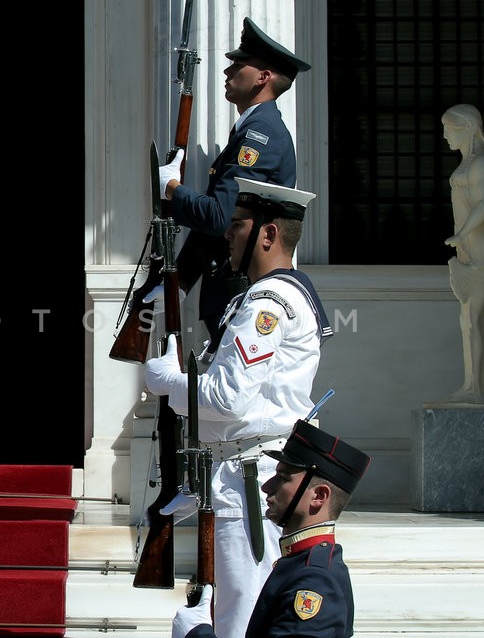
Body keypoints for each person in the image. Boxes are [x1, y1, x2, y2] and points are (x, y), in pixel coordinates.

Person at [145, 178, 333, 638]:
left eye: (237, 225)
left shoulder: (268, 302)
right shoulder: (268, 295)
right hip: (250, 472)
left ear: (267, 236)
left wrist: (171, 381)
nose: (226, 235)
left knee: (239, 620)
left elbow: (228, 398)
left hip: (248, 480)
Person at [155, 16, 311, 338]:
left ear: (263, 77)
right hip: (228, 289)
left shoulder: (260, 134)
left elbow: (220, 217)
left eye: (238, 65)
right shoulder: (250, 130)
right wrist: (180, 279)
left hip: (240, 291)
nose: (227, 72)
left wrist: (172, 189)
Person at [171, 419, 371, 638]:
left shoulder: (314, 581)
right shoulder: (300, 562)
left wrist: (196, 634)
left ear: (319, 496)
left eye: (283, 478)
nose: (266, 486)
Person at [441, 103, 484, 404]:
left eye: (449, 129)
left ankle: (475, 388)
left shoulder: (481, 163)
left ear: (466, 128)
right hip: (472, 249)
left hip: (482, 248)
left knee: (472, 317)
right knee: (478, 318)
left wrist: (461, 234)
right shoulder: (472, 161)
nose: (444, 135)